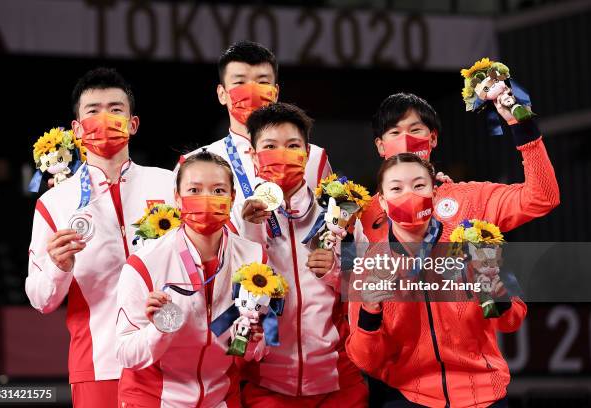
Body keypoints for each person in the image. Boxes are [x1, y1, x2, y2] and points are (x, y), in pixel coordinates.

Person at [25, 68, 176, 407]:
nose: (105, 117)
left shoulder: (168, 186)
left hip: (170, 358)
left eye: (116, 109)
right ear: (77, 129)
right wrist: (58, 266)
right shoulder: (55, 202)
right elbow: (40, 298)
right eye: (93, 110)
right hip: (98, 363)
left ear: (133, 123)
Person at [347, 153, 527, 407]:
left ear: (434, 194)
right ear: (383, 203)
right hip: (409, 396)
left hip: (484, 395)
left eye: (419, 186)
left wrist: (497, 293)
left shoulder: (470, 243)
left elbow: (511, 321)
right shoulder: (370, 264)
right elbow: (367, 361)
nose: (409, 195)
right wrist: (369, 312)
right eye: (396, 188)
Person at [232, 102, 368, 407]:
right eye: (270, 146)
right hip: (265, 384)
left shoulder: (341, 211)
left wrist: (336, 270)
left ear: (307, 153)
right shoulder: (238, 218)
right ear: (253, 157)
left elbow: (371, 283)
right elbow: (226, 298)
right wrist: (248, 231)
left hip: (338, 379)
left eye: (292, 145)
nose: (282, 154)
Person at [116, 151, 267, 407]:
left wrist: (254, 341)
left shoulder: (254, 259)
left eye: (218, 191)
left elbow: (256, 350)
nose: (206, 199)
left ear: (232, 198)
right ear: (177, 198)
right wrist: (160, 330)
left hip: (220, 397)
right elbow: (125, 354)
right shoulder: (145, 263)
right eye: (194, 190)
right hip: (154, 399)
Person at [360, 92, 560, 243]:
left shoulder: (471, 198)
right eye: (395, 132)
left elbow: (542, 197)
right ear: (380, 145)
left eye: (415, 130)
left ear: (433, 138)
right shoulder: (359, 218)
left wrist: (522, 127)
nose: (406, 140)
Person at [181, 40, 332, 208]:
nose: (252, 92)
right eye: (239, 83)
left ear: (275, 93)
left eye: (262, 83)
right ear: (222, 94)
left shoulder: (315, 159)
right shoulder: (192, 164)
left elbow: (330, 222)